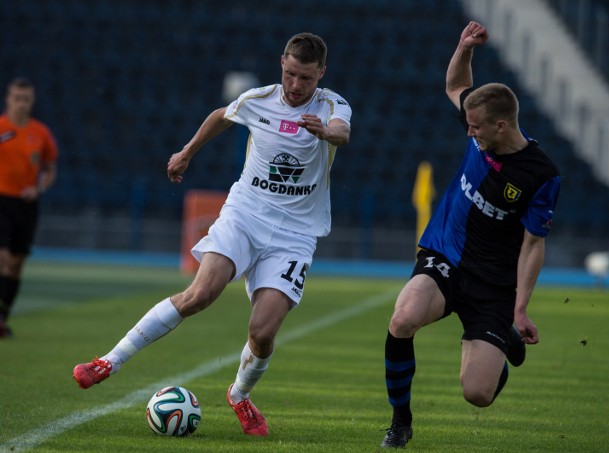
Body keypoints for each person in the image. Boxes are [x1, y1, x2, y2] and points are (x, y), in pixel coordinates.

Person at [73, 32, 351, 437]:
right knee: (199, 294)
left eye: (305, 78)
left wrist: (325, 133)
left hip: (295, 233)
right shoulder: (259, 100)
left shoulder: (330, 105)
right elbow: (222, 114)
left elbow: (342, 131)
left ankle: (239, 396)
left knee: (263, 332)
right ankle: (108, 362)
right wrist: (187, 151)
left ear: (321, 74)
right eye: (290, 74)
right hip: (246, 215)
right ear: (282, 64)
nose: (295, 86)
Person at [380, 21, 561, 448]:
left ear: (502, 125)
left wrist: (520, 310)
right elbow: (456, 85)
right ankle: (400, 421)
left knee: (477, 394)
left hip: (494, 282)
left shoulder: (541, 175)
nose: (469, 132)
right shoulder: (480, 129)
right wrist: (464, 48)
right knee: (403, 318)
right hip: (445, 254)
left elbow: (533, 245)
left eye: (476, 126)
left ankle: (504, 341)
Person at [0, 77, 58, 338]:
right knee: (2, 258)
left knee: (16, 263)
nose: (21, 103)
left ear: (31, 101)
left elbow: (49, 169)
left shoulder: (41, 133)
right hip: (1, 199)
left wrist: (39, 188)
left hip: (26, 204)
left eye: (26, 99)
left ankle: (3, 316)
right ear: (8, 99)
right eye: (17, 98)